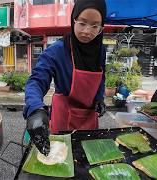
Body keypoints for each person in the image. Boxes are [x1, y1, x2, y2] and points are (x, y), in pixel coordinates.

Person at [23, 0, 107, 155]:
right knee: (62, 157)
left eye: (95, 26)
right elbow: (36, 80)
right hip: (64, 116)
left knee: (85, 159)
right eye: (82, 23)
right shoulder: (57, 51)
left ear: (102, 27)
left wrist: (99, 98)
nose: (87, 31)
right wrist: (35, 109)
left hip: (89, 117)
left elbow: (101, 76)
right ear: (73, 19)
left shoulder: (100, 50)